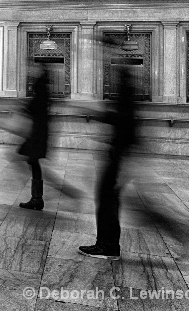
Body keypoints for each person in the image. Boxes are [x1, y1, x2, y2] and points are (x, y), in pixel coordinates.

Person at [79, 68, 137, 260]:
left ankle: (108, 246)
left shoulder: (125, 83)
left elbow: (125, 119)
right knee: (106, 198)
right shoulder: (125, 82)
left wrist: (99, 114)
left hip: (119, 153)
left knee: (107, 199)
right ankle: (105, 244)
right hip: (119, 151)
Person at [19, 64, 50, 211]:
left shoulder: (41, 88)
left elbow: (34, 107)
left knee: (33, 161)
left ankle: (37, 199)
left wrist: (25, 107)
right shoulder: (43, 86)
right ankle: (37, 198)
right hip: (39, 131)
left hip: (37, 132)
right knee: (33, 161)